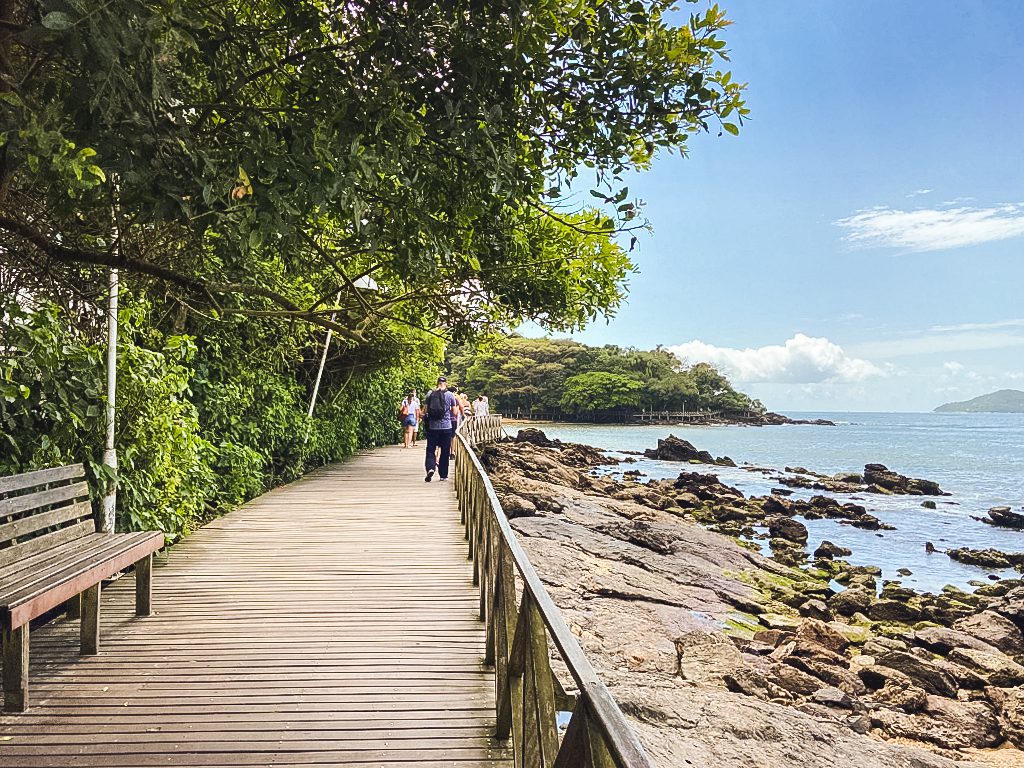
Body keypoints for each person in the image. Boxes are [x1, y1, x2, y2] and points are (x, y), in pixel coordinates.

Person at [422, 376, 459, 482]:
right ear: (446, 384)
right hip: (446, 427)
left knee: (430, 449)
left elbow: (425, 410)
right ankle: (443, 474)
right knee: (445, 451)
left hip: (433, 427)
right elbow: (455, 412)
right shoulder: (450, 395)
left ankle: (430, 468)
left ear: (437, 383)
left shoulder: (430, 394)